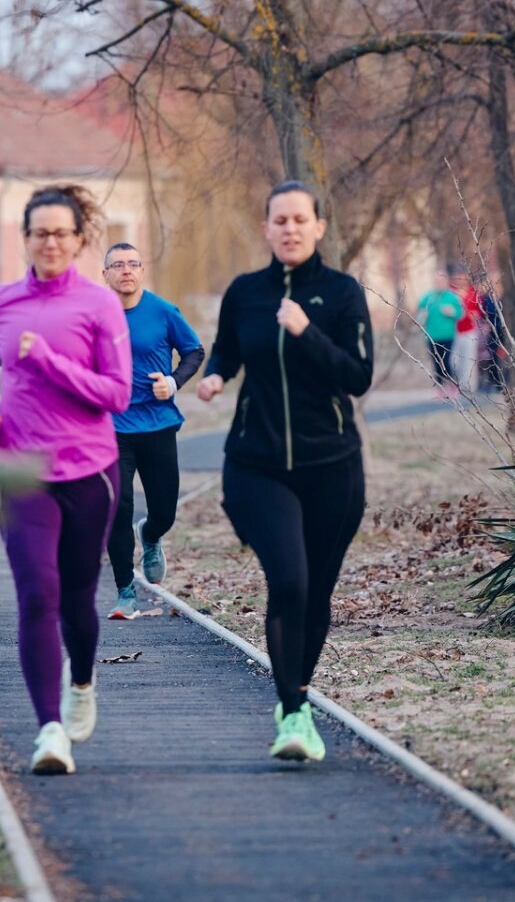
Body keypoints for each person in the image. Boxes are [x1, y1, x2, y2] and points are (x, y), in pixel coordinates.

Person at [194, 180, 373, 762]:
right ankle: (294, 714)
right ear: (267, 228)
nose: (290, 229)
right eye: (280, 220)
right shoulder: (246, 293)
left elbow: (357, 375)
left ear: (319, 227)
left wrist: (306, 331)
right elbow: (227, 348)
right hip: (257, 464)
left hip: (332, 467)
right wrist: (217, 374)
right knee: (289, 581)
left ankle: (294, 697)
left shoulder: (342, 293)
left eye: (301, 220)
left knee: (316, 592)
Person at [0, 185, 131, 776]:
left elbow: (117, 392)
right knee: (37, 595)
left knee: (79, 597)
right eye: (40, 232)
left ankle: (81, 681)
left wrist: (47, 363)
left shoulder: (100, 306)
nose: (50, 242)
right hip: (20, 470)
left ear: (80, 240)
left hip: (89, 471)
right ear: (24, 238)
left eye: (62, 232)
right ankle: (49, 731)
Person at [100, 242, 205, 619]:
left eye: (133, 264)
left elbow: (194, 351)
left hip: (159, 425)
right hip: (112, 428)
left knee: (164, 509)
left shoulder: (163, 311)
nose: (126, 270)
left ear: (142, 270)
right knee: (116, 509)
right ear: (106, 275)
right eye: (118, 265)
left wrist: (174, 382)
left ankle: (152, 534)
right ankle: (126, 591)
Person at [415, 270, 465, 397]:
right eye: (437, 281)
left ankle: (453, 386)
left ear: (446, 282)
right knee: (436, 363)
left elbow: (461, 314)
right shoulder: (427, 297)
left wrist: (452, 312)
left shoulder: (452, 297)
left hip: (448, 335)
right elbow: (418, 314)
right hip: (431, 336)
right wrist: (422, 316)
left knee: (447, 361)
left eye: (441, 281)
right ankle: (440, 388)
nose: (439, 283)